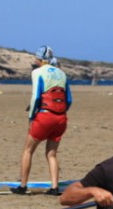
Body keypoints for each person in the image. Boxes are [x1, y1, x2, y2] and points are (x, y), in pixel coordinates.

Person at [11, 46, 72, 195]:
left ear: (39, 59)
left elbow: (36, 96)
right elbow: (69, 99)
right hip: (61, 118)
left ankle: (23, 186)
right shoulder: (62, 74)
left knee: (28, 150)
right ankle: (54, 187)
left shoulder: (37, 72)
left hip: (45, 117)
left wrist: (31, 117)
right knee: (51, 154)